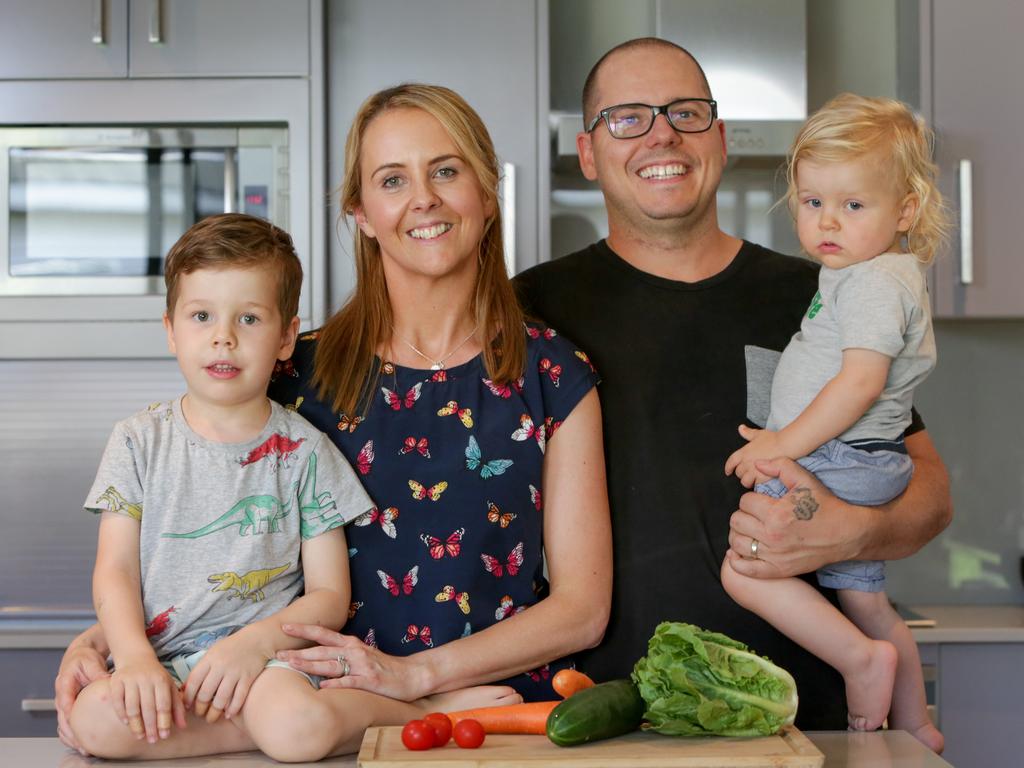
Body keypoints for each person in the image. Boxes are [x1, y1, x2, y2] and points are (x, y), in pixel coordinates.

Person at [56, 85, 612, 755]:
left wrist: (415, 678)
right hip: (301, 703)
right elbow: (193, 531)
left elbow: (583, 610)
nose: (424, 198)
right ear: (363, 212)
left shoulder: (553, 375)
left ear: (487, 193)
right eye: (392, 180)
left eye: (446, 170)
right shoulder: (292, 373)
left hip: (488, 721)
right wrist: (107, 642)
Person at [515, 38, 952, 731]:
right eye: (627, 116)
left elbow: (929, 492)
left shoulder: (828, 292)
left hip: (809, 723)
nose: (663, 133)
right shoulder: (528, 311)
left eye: (685, 112)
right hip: (601, 719)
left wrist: (851, 532)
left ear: (717, 138)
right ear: (588, 151)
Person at [67, 213, 474, 762]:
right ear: (170, 329)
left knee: (293, 725)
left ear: (286, 336)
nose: (223, 337)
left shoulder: (307, 452)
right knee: (94, 722)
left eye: (250, 318)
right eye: (202, 315)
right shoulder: (137, 442)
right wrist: (134, 658)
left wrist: (255, 644)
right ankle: (250, 731)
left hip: (271, 665)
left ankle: (426, 712)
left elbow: (331, 596)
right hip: (163, 658)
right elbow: (114, 571)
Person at [721, 94, 947, 752]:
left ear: (905, 210)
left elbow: (860, 382)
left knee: (747, 569)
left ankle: (857, 661)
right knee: (869, 602)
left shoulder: (876, 283)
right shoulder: (856, 275)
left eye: (853, 205)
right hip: (862, 459)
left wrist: (781, 444)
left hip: (840, 459)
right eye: (812, 200)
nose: (828, 221)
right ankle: (916, 723)